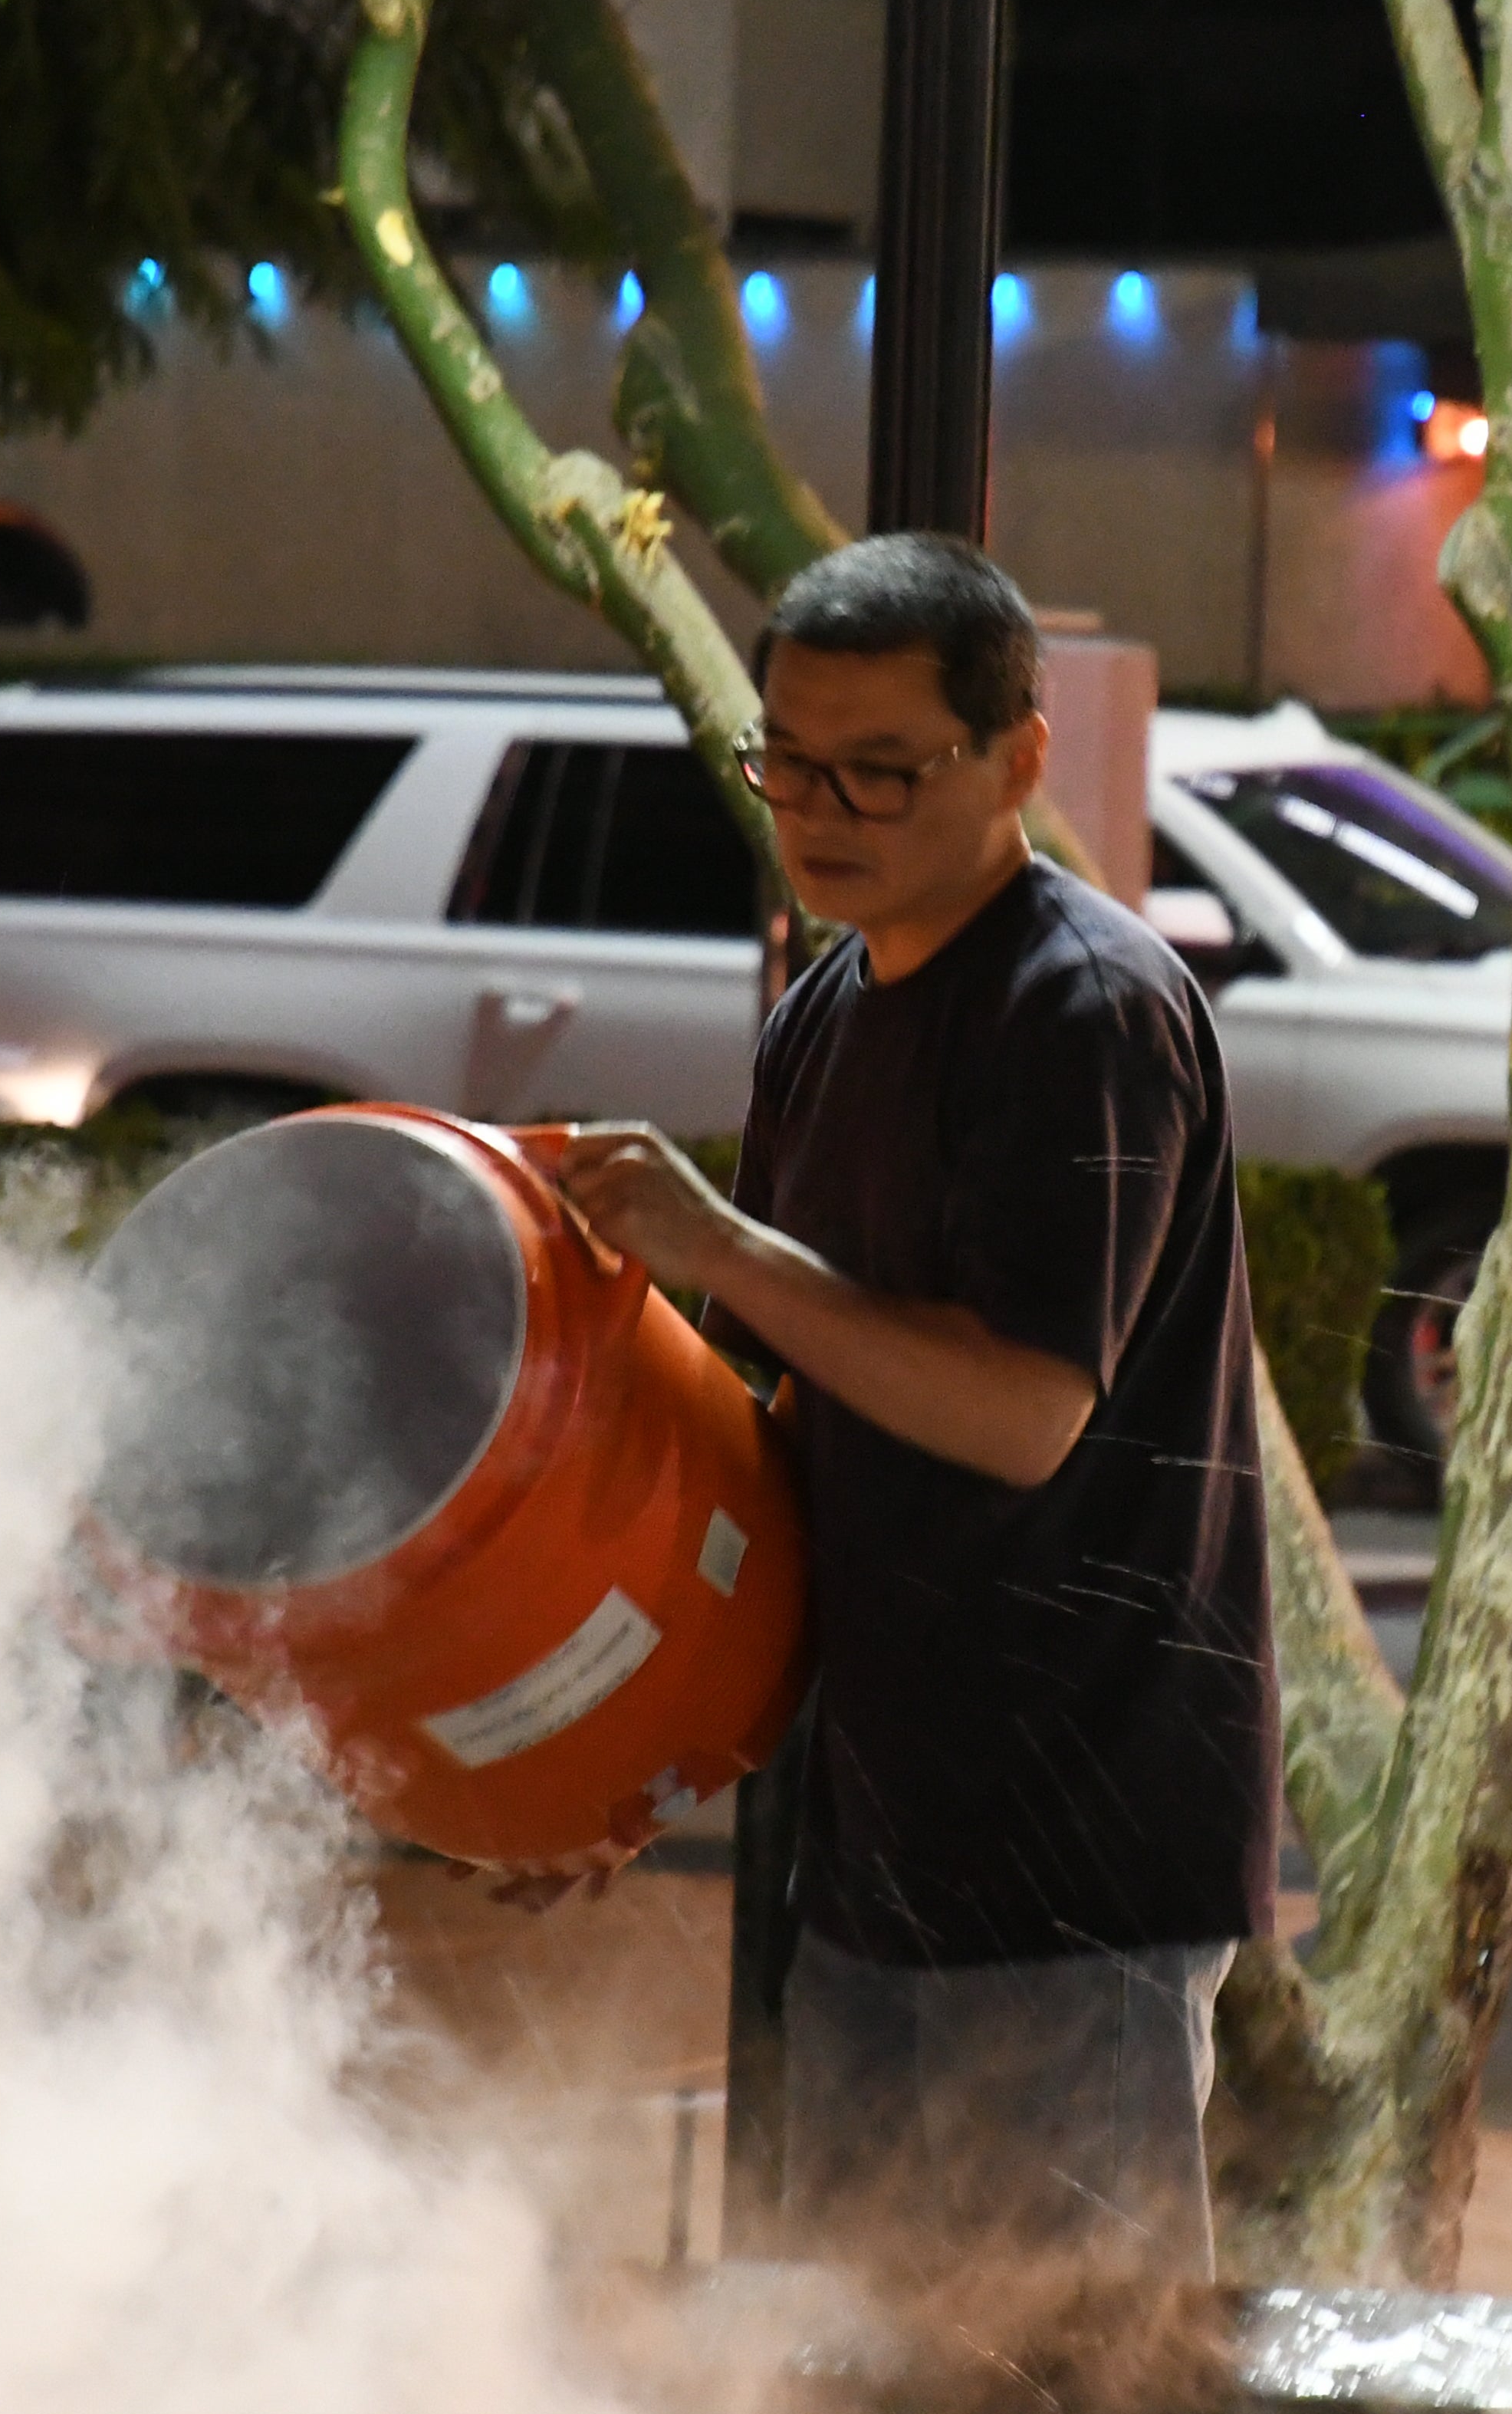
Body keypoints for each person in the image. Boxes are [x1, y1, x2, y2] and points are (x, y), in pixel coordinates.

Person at [544, 533, 1278, 2283]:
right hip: (881, 1845)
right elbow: (781, 1435)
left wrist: (721, 1242)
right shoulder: (823, 1012)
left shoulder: (1083, 1006)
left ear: (1017, 757)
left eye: (880, 766)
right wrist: (614, 1757)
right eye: (785, 759)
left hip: (1076, 1862)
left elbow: (1023, 1407)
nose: (821, 805)